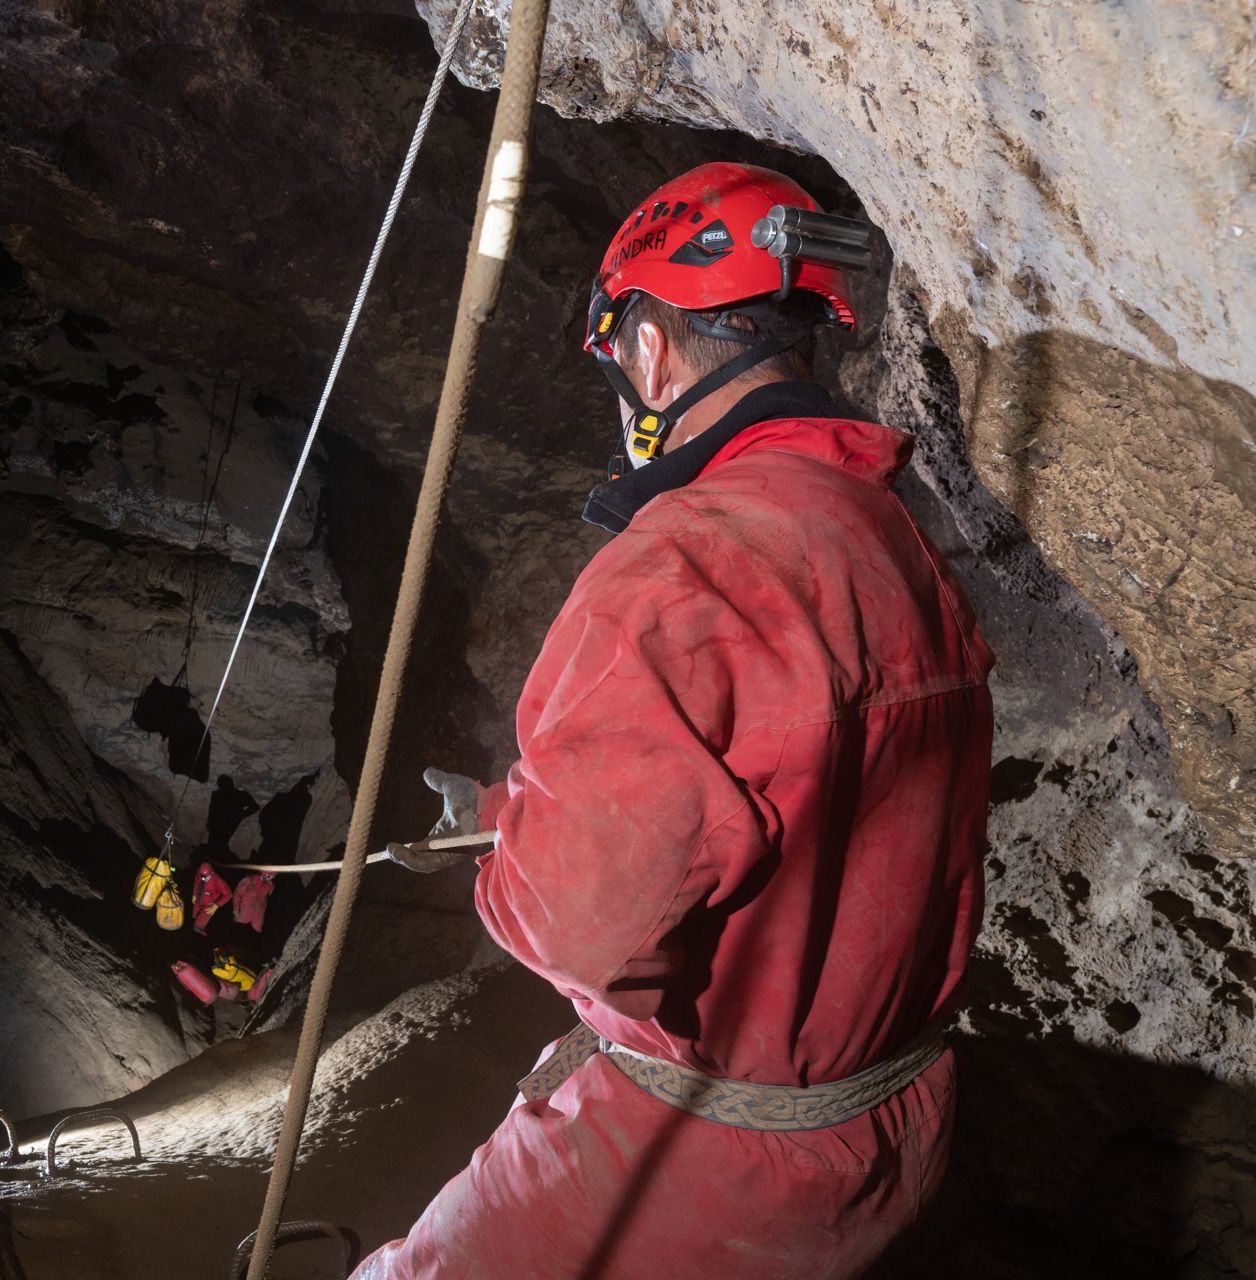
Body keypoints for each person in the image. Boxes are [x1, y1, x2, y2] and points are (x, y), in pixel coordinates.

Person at [358, 162, 994, 1278]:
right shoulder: (895, 544)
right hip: (894, 1126)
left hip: (717, 1150)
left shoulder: (673, 565)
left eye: (620, 354)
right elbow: (791, 786)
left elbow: (577, 923)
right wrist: (510, 801)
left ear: (648, 349)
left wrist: (509, 862)